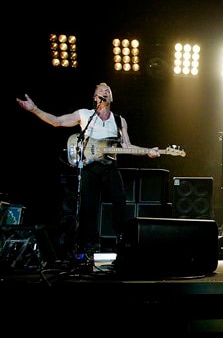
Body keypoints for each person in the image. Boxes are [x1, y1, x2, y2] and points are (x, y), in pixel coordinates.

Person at [16, 82, 160, 261]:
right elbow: (57, 121)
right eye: (101, 91)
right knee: (88, 205)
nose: (105, 92)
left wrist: (148, 151)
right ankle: (89, 245)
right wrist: (34, 109)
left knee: (120, 199)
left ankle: (122, 240)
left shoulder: (119, 120)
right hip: (89, 166)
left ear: (111, 97)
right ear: (95, 97)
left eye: (108, 91)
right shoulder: (85, 114)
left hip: (109, 166)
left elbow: (127, 146)